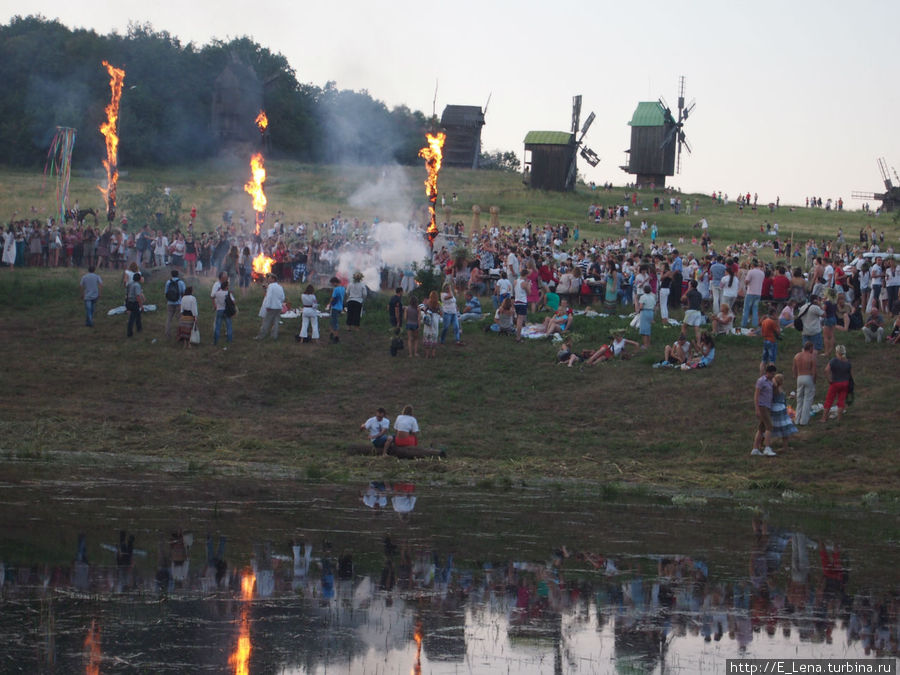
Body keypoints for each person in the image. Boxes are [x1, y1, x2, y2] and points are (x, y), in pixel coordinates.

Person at [752, 365, 778, 457]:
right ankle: (767, 447)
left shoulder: (771, 382)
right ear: (767, 372)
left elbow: (775, 390)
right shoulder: (761, 381)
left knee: (761, 428)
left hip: (768, 406)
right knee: (769, 426)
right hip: (762, 406)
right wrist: (757, 408)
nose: (773, 376)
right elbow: (756, 395)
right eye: (772, 374)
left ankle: (755, 448)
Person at [822, 345, 852, 424]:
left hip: (835, 383)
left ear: (837, 352)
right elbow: (850, 374)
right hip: (845, 383)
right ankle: (839, 419)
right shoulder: (848, 362)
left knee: (829, 400)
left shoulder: (834, 361)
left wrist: (829, 380)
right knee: (841, 401)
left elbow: (826, 370)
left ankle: (824, 418)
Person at [769, 373, 798, 451]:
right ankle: (785, 446)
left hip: (774, 408)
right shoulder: (777, 389)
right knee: (785, 428)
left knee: (768, 427)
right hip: (781, 409)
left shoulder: (774, 388)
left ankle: (763, 444)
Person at [792, 341, 817, 426]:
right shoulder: (811, 357)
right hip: (808, 376)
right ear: (810, 348)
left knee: (799, 399)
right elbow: (814, 370)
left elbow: (794, 368)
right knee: (807, 399)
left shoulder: (797, 356)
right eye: (812, 348)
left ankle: (797, 419)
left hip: (800, 377)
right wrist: (814, 381)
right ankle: (804, 421)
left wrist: (796, 377)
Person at [256, 273, 285, 341]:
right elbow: (283, 297)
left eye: (269, 278)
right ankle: (274, 336)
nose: (268, 279)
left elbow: (269, 297)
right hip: (278, 307)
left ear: (273, 279)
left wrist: (267, 306)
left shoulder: (271, 286)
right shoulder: (280, 287)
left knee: (266, 322)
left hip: (271, 307)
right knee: (276, 322)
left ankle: (261, 336)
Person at [741, 259, 765, 328]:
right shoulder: (762, 273)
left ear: (752, 265)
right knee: (755, 309)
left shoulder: (751, 272)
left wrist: (746, 283)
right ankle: (755, 324)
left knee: (746, 309)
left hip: (750, 292)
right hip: (758, 293)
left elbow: (746, 281)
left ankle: (744, 324)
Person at [213, 280, 236, 347]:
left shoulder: (217, 293)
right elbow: (234, 302)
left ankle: (216, 341)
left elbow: (213, 296)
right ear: (226, 287)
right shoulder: (228, 293)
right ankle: (229, 340)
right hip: (227, 311)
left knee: (218, 326)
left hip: (219, 310)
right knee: (229, 326)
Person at [164, 270, 186, 339]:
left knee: (169, 319)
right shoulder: (181, 282)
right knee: (180, 319)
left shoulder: (168, 282)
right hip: (179, 303)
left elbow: (166, 293)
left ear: (171, 274)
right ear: (178, 275)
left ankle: (167, 334)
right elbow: (183, 293)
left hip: (170, 303)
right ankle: (180, 334)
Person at [681, 279, 704, 344]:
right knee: (697, 329)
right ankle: (698, 343)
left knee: (684, 326)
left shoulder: (690, 292)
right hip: (698, 312)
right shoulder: (699, 294)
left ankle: (682, 340)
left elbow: (682, 298)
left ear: (690, 285)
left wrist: (687, 290)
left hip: (691, 312)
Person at [759, 306, 781, 374]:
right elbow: (778, 332)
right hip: (771, 340)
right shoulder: (772, 322)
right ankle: (771, 375)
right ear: (774, 313)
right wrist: (778, 322)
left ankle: (761, 374)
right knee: (772, 360)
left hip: (765, 340)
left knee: (764, 360)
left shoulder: (764, 321)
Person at [420, 291, 441, 358]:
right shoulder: (438, 304)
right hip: (435, 319)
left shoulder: (428, 303)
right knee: (434, 334)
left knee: (427, 334)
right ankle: (433, 353)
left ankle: (427, 354)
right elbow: (440, 312)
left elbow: (425, 310)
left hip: (429, 319)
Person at [325, 276, 345, 344]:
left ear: (335, 283)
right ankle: (331, 333)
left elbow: (333, 298)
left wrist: (329, 304)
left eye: (332, 283)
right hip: (340, 307)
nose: (332, 285)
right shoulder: (343, 288)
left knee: (334, 323)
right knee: (332, 321)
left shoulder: (336, 289)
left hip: (335, 307)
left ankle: (336, 337)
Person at [125, 272, 144, 338]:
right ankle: (129, 333)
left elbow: (127, 293)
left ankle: (139, 328)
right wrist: (141, 305)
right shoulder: (137, 285)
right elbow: (138, 296)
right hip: (134, 303)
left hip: (129, 301)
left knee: (138, 315)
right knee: (132, 318)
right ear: (139, 279)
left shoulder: (130, 284)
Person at [513, 269, 529, 342]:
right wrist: (529, 285)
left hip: (516, 301)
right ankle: (518, 337)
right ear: (526, 275)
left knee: (518, 320)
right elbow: (529, 293)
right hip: (522, 302)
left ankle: (518, 334)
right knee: (520, 321)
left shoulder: (515, 281)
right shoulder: (524, 283)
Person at [638, 284, 655, 350]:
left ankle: (645, 345)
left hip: (645, 312)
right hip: (651, 312)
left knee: (644, 330)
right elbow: (654, 306)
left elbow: (641, 306)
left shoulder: (643, 297)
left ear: (644, 290)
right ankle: (649, 344)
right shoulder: (652, 297)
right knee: (648, 329)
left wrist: (638, 311)